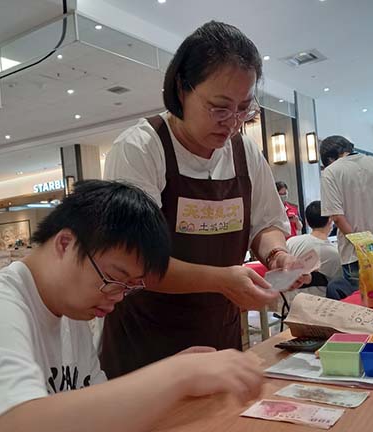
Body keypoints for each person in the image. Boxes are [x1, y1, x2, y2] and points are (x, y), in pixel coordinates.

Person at [0, 180, 264, 432]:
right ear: (65, 244)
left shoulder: (73, 312)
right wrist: (176, 376)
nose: (117, 297)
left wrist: (174, 382)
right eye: (113, 278)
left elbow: (93, 412)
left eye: (129, 287)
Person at [102, 21, 306, 377]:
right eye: (219, 107)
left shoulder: (244, 152)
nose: (233, 122)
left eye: (244, 109)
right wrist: (223, 280)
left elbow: (266, 224)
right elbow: (136, 262)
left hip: (218, 333)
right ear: (182, 88)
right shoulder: (141, 148)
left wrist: (277, 255)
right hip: (147, 343)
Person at [319, 136, 373, 290]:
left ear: (329, 158)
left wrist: (365, 249)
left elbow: (337, 217)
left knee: (362, 302)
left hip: (354, 255)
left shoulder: (331, 172)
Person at [286, 201, 342, 281]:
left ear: (307, 221)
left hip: (288, 288)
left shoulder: (291, 242)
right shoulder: (335, 254)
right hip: (320, 289)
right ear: (330, 220)